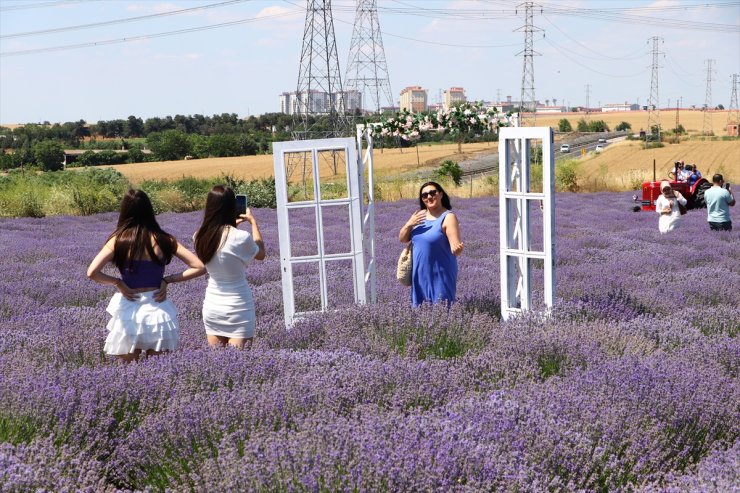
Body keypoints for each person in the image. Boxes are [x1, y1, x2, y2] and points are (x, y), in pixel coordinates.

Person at [87, 189, 205, 362]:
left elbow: (92, 272)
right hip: (157, 308)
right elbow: (199, 266)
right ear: (149, 210)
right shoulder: (165, 239)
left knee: (128, 374)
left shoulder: (118, 240)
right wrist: (167, 280)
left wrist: (118, 283)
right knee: (158, 372)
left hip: (129, 308)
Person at [194, 185, 265, 349]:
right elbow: (261, 254)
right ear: (231, 207)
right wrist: (253, 223)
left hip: (212, 306)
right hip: (238, 307)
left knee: (218, 366)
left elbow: (222, 245)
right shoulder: (240, 237)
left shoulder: (199, 236)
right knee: (240, 367)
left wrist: (232, 228)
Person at [399, 181, 464, 306]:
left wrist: (457, 249)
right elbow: (402, 238)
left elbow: (455, 246)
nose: (429, 197)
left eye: (433, 193)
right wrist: (409, 223)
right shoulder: (418, 216)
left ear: (440, 194)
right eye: (424, 195)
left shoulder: (448, 217)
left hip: (440, 274)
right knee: (420, 316)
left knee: (442, 313)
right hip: (419, 275)